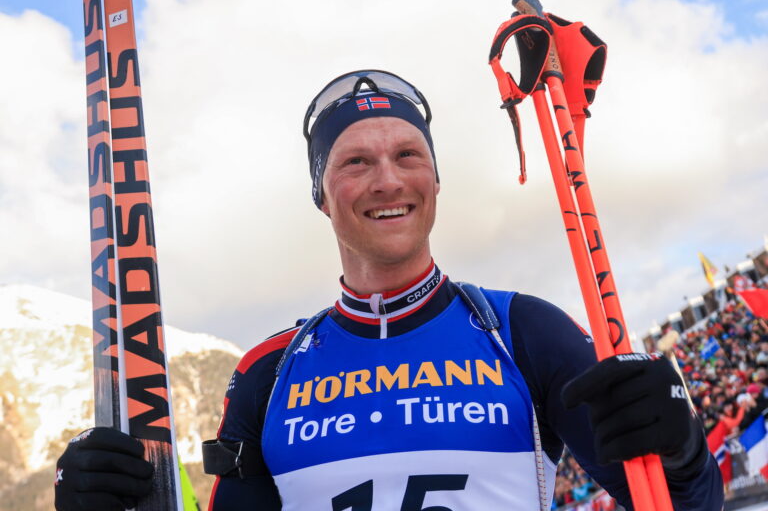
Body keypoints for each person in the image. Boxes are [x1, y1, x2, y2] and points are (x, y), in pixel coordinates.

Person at [55, 70, 724, 510]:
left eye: (408, 156)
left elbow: (683, 503)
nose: (388, 180)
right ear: (321, 195)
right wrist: (97, 496)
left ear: (434, 180)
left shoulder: (523, 331)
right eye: (355, 162)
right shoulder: (268, 372)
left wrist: (683, 447)